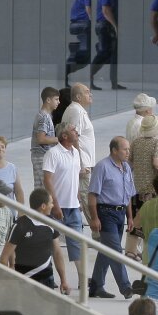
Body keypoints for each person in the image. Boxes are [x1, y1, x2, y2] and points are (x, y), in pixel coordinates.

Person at [87, 137, 137, 299]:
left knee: (106, 251)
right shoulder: (102, 167)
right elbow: (92, 194)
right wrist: (94, 218)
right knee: (115, 250)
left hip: (120, 213)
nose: (128, 152)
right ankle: (126, 286)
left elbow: (128, 194)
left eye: (128, 149)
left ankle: (95, 286)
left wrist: (130, 217)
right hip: (106, 213)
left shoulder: (127, 168)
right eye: (125, 149)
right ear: (114, 150)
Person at [0, 188, 69, 293]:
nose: (53, 205)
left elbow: (57, 252)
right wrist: (9, 280)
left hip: (47, 280)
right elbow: (4, 258)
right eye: (51, 203)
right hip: (24, 281)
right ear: (43, 206)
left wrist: (63, 280)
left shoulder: (51, 222)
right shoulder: (20, 225)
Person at [43, 122, 84, 287]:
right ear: (65, 136)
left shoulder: (76, 152)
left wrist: (78, 196)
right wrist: (56, 204)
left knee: (77, 245)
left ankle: (82, 280)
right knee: (52, 245)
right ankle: (51, 278)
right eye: (73, 130)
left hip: (73, 207)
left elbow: (75, 177)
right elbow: (47, 180)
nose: (77, 132)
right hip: (56, 207)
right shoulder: (53, 154)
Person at [61, 84, 97, 223]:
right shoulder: (76, 111)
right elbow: (73, 138)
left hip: (84, 162)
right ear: (78, 96)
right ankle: (97, 232)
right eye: (87, 92)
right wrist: (81, 164)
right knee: (86, 197)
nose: (91, 95)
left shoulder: (77, 110)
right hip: (82, 164)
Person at [89, 0, 124, 90]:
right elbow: (106, 11)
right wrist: (115, 26)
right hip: (105, 27)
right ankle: (90, 77)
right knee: (103, 53)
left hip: (107, 27)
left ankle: (114, 83)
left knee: (112, 55)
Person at [131, 112, 158, 203]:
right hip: (152, 188)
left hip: (137, 188)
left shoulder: (135, 142)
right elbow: (157, 163)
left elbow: (130, 162)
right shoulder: (157, 143)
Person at [65, 0, 93, 86]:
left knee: (86, 57)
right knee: (84, 54)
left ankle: (74, 52)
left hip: (79, 24)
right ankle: (73, 53)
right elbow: (88, 8)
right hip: (82, 24)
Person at [31, 87, 60, 189]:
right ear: (48, 100)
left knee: (40, 189)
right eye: (56, 99)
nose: (59, 102)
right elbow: (41, 139)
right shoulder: (43, 117)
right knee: (46, 189)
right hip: (41, 157)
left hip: (41, 157)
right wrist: (59, 139)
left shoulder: (45, 115)